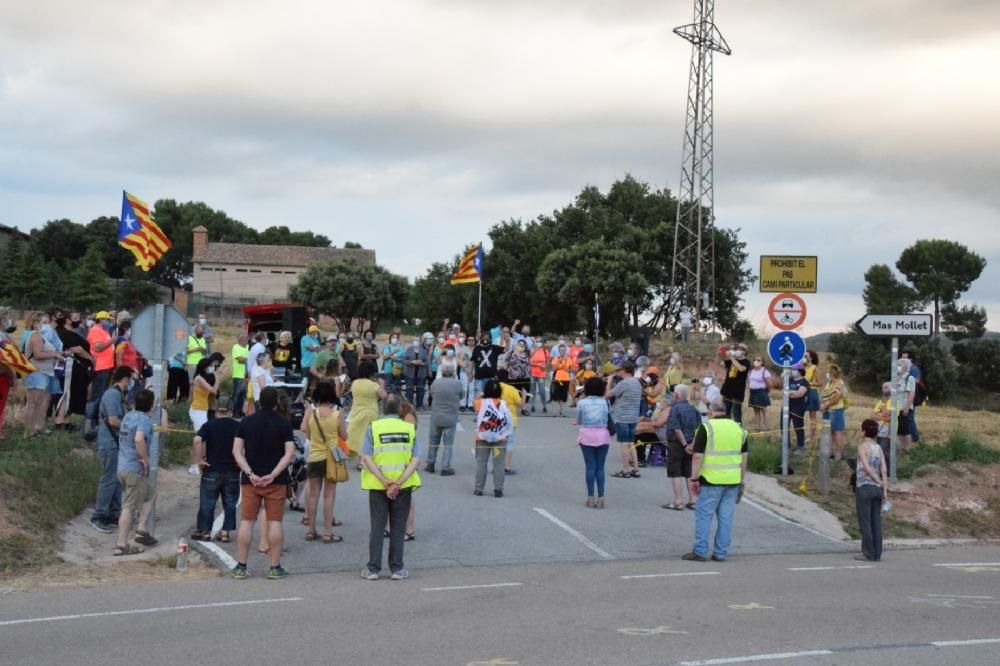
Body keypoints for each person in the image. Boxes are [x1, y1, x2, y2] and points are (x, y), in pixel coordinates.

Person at [231, 387, 296, 580]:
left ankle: (241, 565)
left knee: (246, 522)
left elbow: (236, 451)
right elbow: (289, 453)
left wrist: (250, 472)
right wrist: (274, 473)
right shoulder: (284, 424)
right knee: (275, 522)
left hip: (251, 481)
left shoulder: (246, 422)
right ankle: (275, 566)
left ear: (259, 401)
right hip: (276, 481)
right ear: (276, 402)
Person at [360, 393, 422, 581]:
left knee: (378, 527)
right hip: (403, 486)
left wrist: (384, 480)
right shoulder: (409, 429)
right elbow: (415, 459)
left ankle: (373, 569)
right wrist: (399, 481)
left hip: (378, 485)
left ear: (382, 408)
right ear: (399, 409)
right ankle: (397, 568)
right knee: (398, 527)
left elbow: (367, 458)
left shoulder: (374, 428)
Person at [682, 398, 749, 563]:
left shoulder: (706, 428)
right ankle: (720, 553)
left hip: (711, 479)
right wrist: (741, 479)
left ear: (711, 412)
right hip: (732, 480)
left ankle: (700, 551)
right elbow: (744, 457)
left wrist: (694, 477)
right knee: (726, 518)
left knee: (704, 516)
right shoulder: (739, 429)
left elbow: (697, 456)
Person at [113, 388, 158, 556]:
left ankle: (141, 529)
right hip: (134, 468)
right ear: (151, 405)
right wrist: (145, 458)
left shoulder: (128, 416)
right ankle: (121, 545)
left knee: (151, 494)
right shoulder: (145, 420)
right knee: (129, 507)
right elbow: (139, 438)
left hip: (122, 466)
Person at [302, 380, 348, 543]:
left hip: (315, 455)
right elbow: (344, 436)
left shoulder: (311, 412)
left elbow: (305, 430)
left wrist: (313, 437)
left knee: (313, 494)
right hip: (332, 458)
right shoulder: (337, 414)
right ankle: (328, 532)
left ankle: (311, 530)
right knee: (329, 495)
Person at [90, 366, 133, 534]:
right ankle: (99, 516)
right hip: (108, 443)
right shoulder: (113, 394)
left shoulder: (117, 394)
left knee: (115, 480)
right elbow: (113, 420)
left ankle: (114, 513)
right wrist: (131, 430)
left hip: (115, 443)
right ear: (125, 379)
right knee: (108, 480)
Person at [191, 406, 241, 543]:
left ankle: (206, 531)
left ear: (217, 412)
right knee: (230, 502)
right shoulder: (237, 426)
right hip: (232, 469)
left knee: (208, 501)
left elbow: (197, 440)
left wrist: (199, 460)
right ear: (230, 411)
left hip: (212, 469)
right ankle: (225, 532)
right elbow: (246, 443)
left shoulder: (209, 425)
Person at [661, 383, 703, 510]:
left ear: (677, 395)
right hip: (691, 444)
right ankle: (693, 500)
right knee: (688, 472)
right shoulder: (694, 409)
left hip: (677, 444)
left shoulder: (675, 409)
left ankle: (678, 501)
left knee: (675, 472)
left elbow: (676, 428)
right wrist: (692, 445)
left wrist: (684, 444)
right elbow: (699, 429)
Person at [22, 312, 62, 438]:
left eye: (47, 322)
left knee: (38, 403)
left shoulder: (41, 336)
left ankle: (35, 429)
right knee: (32, 403)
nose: (46, 325)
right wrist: (54, 355)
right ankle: (28, 432)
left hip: (43, 372)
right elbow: (38, 354)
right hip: (36, 372)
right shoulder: (35, 336)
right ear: (36, 324)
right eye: (44, 323)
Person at [473, 380, 513, 498]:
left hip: (482, 437)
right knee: (499, 463)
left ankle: (478, 488)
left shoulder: (481, 402)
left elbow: (473, 402)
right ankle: (498, 489)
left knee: (481, 462)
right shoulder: (504, 404)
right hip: (500, 438)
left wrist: (482, 394)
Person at [855, 419, 888, 562]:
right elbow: (884, 470)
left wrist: (876, 480)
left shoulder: (862, 447)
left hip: (864, 486)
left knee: (865, 521)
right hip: (877, 490)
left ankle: (867, 552)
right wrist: (884, 488)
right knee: (876, 521)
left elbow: (866, 468)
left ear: (864, 431)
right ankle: (877, 552)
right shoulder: (879, 448)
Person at [576, 377, 611, 508]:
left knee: (590, 466)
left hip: (587, 435)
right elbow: (607, 417)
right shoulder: (605, 402)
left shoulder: (582, 403)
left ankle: (590, 497)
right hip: (602, 434)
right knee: (600, 467)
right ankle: (601, 497)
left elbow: (579, 421)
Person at [425, 362, 463, 475]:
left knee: (433, 442)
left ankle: (430, 464)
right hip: (450, 417)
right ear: (453, 372)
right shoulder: (457, 383)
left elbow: (431, 394)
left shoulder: (436, 383)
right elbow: (462, 395)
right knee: (448, 444)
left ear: (441, 372)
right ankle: (445, 467)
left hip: (436, 416)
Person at [608, 361, 643, 479]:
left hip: (622, 416)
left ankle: (626, 469)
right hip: (633, 416)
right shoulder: (637, 383)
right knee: (631, 442)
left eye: (619, 370)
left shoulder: (624, 383)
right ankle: (636, 468)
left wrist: (609, 382)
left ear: (623, 370)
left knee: (623, 443)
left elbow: (608, 394)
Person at [84, 311, 116, 438]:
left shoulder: (103, 331)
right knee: (97, 396)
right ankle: (89, 423)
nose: (109, 322)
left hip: (106, 366)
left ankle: (96, 420)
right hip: (100, 367)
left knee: (101, 395)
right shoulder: (96, 330)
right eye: (107, 320)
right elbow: (97, 347)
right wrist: (111, 341)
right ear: (101, 319)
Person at [347, 360, 386, 457]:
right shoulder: (373, 385)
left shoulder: (355, 383)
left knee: (354, 434)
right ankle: (363, 459)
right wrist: (382, 384)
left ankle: (349, 452)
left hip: (356, 411)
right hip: (370, 411)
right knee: (366, 437)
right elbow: (384, 396)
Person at [496, 368, 523, 475]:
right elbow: (521, 405)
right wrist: (524, 396)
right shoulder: (512, 389)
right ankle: (507, 466)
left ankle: (497, 466)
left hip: (497, 419)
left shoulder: (495, 388)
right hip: (510, 419)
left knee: (497, 443)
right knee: (509, 443)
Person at [820, 364, 848, 460]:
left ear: (832, 373)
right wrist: (823, 405)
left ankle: (839, 454)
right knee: (830, 432)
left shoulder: (839, 384)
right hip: (827, 411)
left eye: (829, 372)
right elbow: (825, 394)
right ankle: (830, 452)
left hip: (836, 410)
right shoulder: (829, 383)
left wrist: (825, 405)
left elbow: (836, 398)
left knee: (838, 432)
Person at [719, 344, 749, 425]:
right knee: (725, 413)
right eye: (738, 348)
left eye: (742, 348)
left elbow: (741, 369)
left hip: (737, 392)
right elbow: (720, 363)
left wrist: (732, 357)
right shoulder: (732, 361)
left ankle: (738, 431)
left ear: (745, 352)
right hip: (727, 390)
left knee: (736, 415)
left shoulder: (746, 362)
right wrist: (720, 353)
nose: (739, 350)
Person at [189, 358, 219, 434]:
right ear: (205, 367)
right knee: (200, 435)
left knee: (203, 435)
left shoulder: (204, 378)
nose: (212, 367)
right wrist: (218, 378)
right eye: (210, 366)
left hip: (203, 409)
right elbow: (213, 391)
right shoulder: (199, 378)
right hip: (198, 410)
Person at [786, 364, 810, 453]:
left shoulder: (804, 382)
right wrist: (791, 393)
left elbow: (799, 394)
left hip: (798, 407)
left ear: (800, 371)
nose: (792, 371)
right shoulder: (789, 380)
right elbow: (783, 391)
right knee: (784, 426)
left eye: (794, 369)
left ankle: (800, 446)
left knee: (798, 426)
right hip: (787, 406)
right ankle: (786, 446)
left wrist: (789, 393)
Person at [472, 333, 504, 398]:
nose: (485, 339)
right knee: (478, 396)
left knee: (490, 396)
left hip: (491, 377)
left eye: (487, 337)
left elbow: (506, 349)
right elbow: (472, 361)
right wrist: (470, 372)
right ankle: (478, 408)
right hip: (479, 377)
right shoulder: (477, 348)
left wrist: (507, 340)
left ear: (490, 339)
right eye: (484, 337)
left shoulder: (494, 348)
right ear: (481, 339)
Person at [895, 358, 917, 453]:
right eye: (899, 364)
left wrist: (907, 408)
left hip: (904, 406)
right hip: (896, 407)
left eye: (901, 364)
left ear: (907, 366)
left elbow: (911, 394)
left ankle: (907, 449)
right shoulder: (896, 378)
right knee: (899, 429)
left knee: (905, 429)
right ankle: (902, 448)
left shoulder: (910, 378)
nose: (899, 366)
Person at [901, 350, 922, 445]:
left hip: (909, 398)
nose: (902, 359)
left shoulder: (913, 369)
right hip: (903, 398)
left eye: (904, 358)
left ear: (910, 359)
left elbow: (914, 385)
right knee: (906, 419)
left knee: (909, 419)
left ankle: (915, 439)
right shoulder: (904, 369)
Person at [505, 339, 531, 415]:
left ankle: (523, 408)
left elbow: (528, 362)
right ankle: (511, 408)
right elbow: (506, 361)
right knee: (513, 392)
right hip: (513, 376)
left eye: (523, 345)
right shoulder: (511, 353)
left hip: (525, 375)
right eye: (520, 344)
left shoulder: (527, 353)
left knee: (524, 392)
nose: (521, 346)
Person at [747, 355, 773, 431]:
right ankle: (757, 427)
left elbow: (769, 384)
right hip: (753, 392)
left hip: (761, 391)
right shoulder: (751, 371)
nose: (756, 361)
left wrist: (766, 391)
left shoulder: (765, 371)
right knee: (756, 410)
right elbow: (750, 381)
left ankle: (766, 426)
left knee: (763, 410)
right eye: (755, 360)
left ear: (762, 362)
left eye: (758, 360)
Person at [550, 344, 574, 417]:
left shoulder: (569, 359)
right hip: (557, 379)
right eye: (561, 350)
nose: (562, 352)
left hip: (566, 379)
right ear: (559, 351)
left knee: (564, 396)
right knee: (555, 396)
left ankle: (562, 411)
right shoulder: (555, 358)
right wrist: (558, 361)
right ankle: (554, 412)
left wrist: (568, 370)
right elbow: (553, 368)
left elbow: (572, 369)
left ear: (566, 351)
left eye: (564, 350)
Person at [803, 350, 821, 443]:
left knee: (812, 416)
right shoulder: (802, 368)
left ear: (811, 358)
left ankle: (812, 437)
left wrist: (809, 383)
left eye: (806, 355)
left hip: (812, 392)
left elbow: (820, 383)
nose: (804, 357)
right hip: (802, 392)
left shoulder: (815, 368)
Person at [873, 382, 893, 463]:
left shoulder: (893, 401)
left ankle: (889, 471)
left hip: (888, 431)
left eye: (886, 387)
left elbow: (887, 415)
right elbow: (872, 415)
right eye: (883, 388)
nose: (883, 390)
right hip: (879, 430)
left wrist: (880, 414)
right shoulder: (880, 401)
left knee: (884, 451)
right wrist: (882, 417)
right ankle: (881, 470)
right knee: (879, 450)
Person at [230, 333, 249, 418]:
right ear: (241, 340)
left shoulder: (248, 348)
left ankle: (241, 411)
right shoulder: (236, 347)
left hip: (246, 375)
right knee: (237, 395)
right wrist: (248, 359)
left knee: (244, 396)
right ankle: (234, 412)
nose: (247, 340)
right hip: (238, 375)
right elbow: (240, 359)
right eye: (246, 339)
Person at [528, 339, 549, 414]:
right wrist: (538, 365)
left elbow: (547, 362)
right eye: (537, 341)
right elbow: (529, 362)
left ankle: (544, 406)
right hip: (533, 373)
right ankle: (532, 406)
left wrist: (545, 367)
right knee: (532, 391)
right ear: (535, 342)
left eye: (540, 341)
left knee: (542, 391)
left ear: (542, 343)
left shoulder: (545, 351)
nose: (539, 343)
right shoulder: (532, 350)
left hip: (541, 374)